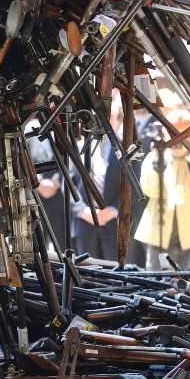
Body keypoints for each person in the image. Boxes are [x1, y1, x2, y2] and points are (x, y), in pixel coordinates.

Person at [134, 110, 190, 270]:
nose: (177, 142)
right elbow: (149, 189)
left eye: (181, 137)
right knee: (158, 282)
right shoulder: (155, 156)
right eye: (173, 136)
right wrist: (158, 159)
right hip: (160, 235)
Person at [71, 91, 124, 259]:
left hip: (114, 226)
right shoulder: (79, 148)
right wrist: (82, 210)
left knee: (113, 278)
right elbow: (68, 183)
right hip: (85, 223)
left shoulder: (126, 150)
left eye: (110, 118)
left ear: (117, 121)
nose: (105, 123)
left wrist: (114, 209)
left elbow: (133, 185)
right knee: (86, 278)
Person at [25, 119, 66, 252]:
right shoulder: (27, 129)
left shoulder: (58, 127)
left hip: (58, 197)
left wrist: (57, 180)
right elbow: (23, 159)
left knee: (62, 245)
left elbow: (67, 156)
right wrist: (39, 183)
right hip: (36, 195)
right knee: (38, 244)